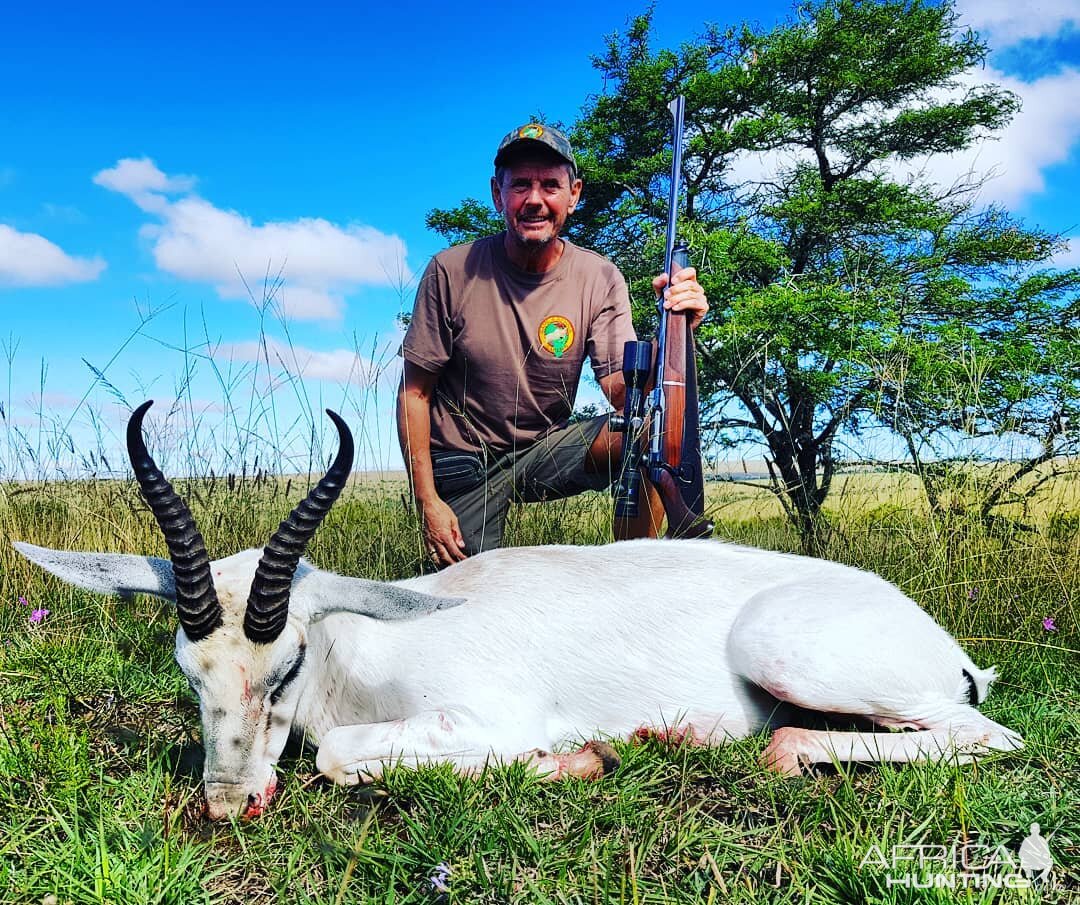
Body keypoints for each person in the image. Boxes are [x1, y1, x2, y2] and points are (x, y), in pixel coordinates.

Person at [397, 122, 708, 567]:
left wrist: (678, 331)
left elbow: (625, 394)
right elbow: (415, 393)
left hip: (544, 449)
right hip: (464, 462)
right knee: (458, 605)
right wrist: (428, 501)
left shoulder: (600, 277)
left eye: (550, 185)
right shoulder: (449, 271)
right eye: (520, 184)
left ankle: (632, 575)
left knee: (646, 432)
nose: (535, 200)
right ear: (497, 194)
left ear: (574, 194)